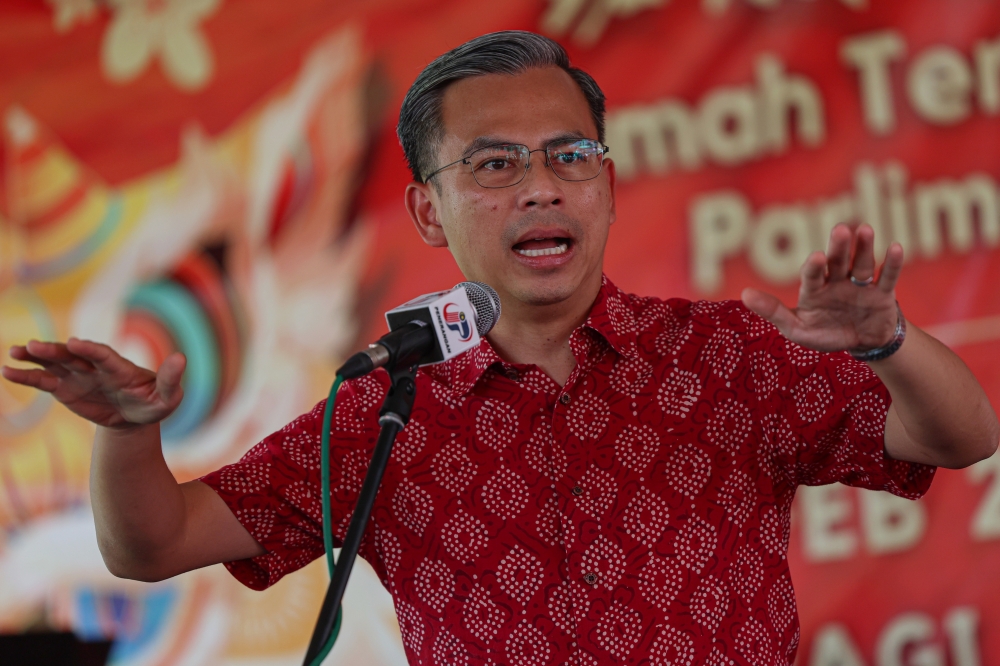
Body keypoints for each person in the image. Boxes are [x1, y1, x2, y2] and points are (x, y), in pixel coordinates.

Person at [3, 31, 997, 665]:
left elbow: (960, 435)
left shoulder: (728, 354)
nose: (540, 187)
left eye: (570, 156)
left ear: (605, 187)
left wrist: (888, 342)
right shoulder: (382, 409)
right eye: (494, 164)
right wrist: (130, 434)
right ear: (427, 212)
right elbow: (154, 546)